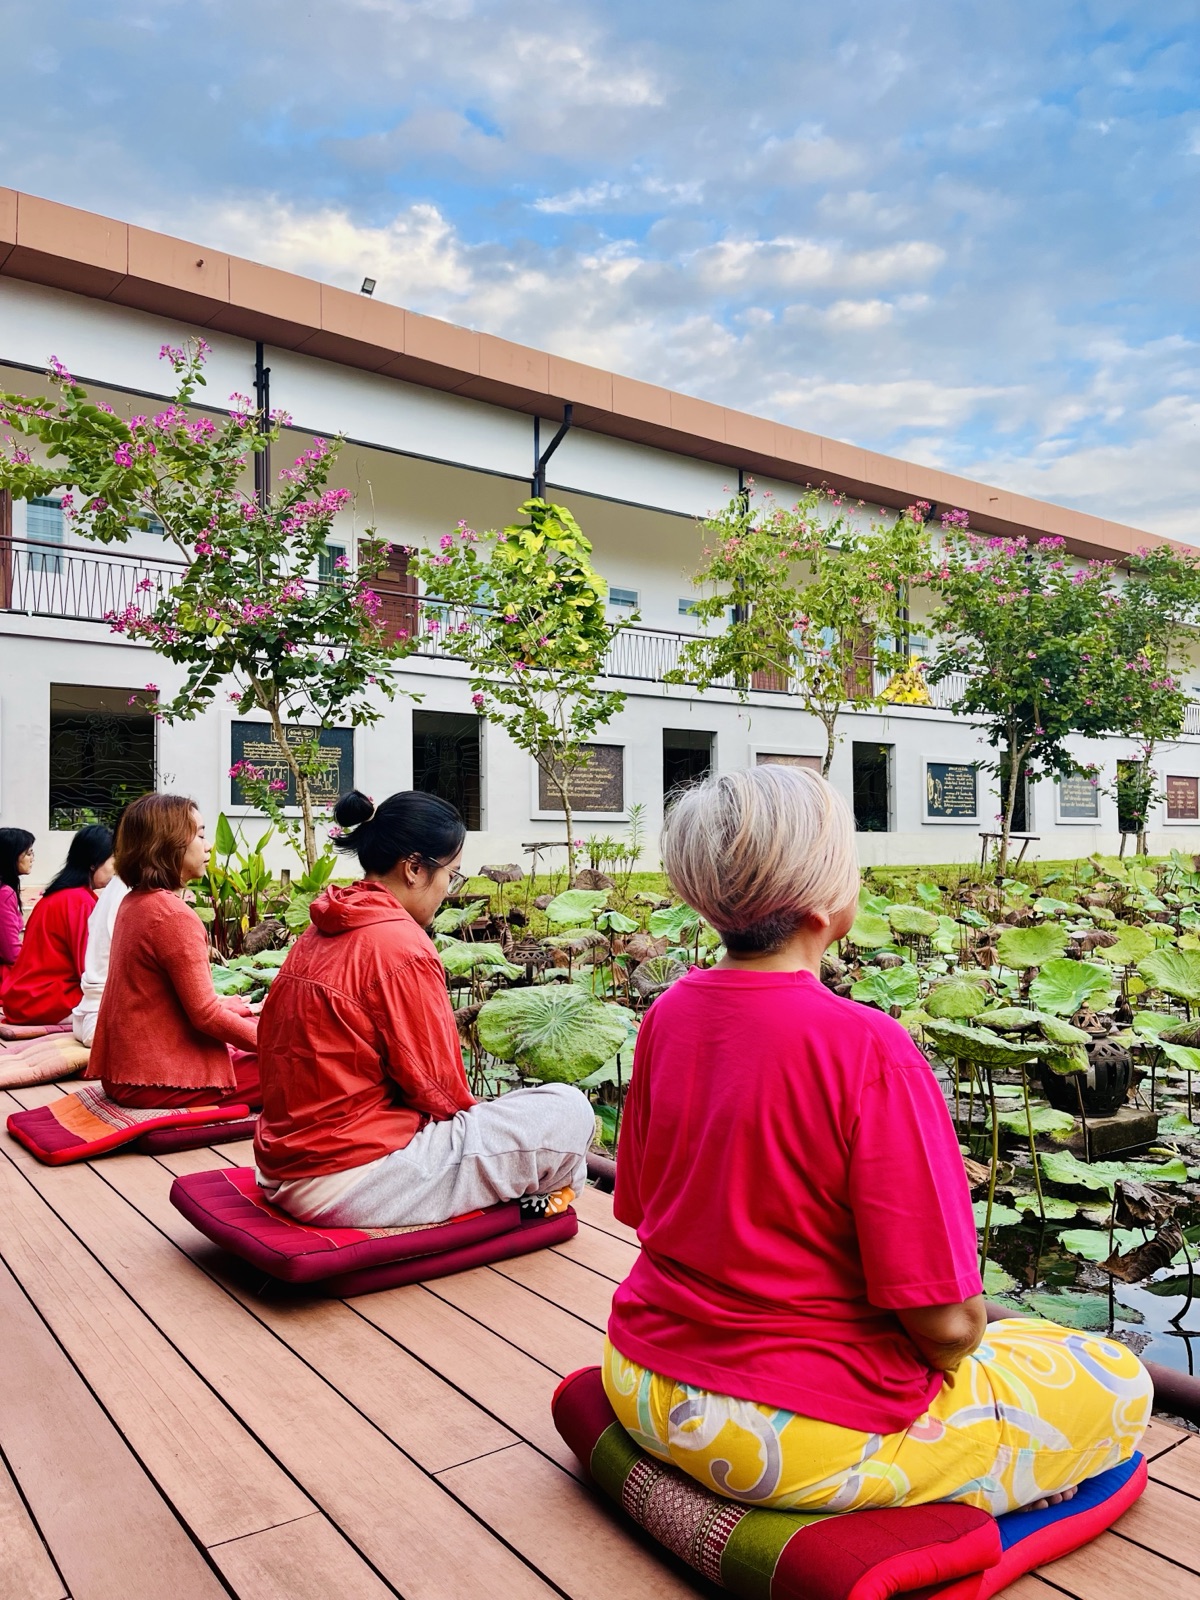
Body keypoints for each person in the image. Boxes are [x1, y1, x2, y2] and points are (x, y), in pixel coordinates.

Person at [603, 765, 1152, 1518]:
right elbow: (947, 1327)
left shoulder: (668, 1014)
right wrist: (970, 1336)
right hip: (783, 1437)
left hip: (640, 1377)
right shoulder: (870, 1048)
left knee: (1019, 1337)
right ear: (828, 902)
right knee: (1118, 1380)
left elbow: (635, 1210)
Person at [254, 789, 594, 1226]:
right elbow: (440, 1093)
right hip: (349, 1180)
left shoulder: (322, 926)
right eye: (450, 874)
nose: (448, 888)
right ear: (414, 868)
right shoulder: (400, 944)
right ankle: (537, 1204)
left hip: (283, 1167)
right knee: (568, 1108)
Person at [85, 794, 259, 1108]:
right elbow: (205, 1016)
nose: (208, 847)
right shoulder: (173, 915)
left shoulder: (135, 901)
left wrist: (237, 1008)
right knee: (301, 1065)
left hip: (125, 1072)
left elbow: (166, 999)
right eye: (201, 835)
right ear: (169, 844)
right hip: (155, 1079)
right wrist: (275, 1044)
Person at [1, 825, 115, 1024]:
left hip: (24, 998)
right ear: (93, 863)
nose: (117, 870)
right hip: (45, 1000)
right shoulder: (80, 901)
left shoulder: (57, 895)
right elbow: (90, 970)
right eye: (115, 860)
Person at [0, 827, 36, 973]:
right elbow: (11, 953)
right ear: (11, 857)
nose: (32, 858)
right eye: (28, 853)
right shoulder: (4, 894)